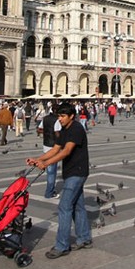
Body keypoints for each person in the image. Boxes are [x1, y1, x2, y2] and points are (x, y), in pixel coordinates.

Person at [27, 104, 92, 258]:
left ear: (71, 116)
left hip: (78, 172)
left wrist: (46, 163)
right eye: (59, 116)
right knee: (78, 206)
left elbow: (67, 150)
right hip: (71, 172)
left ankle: (62, 246)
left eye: (62, 116)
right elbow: (55, 149)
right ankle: (84, 238)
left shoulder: (76, 129)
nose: (59, 119)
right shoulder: (65, 130)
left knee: (64, 208)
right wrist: (38, 159)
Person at [37, 103, 61, 198]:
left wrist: (46, 132)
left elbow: (39, 129)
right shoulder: (58, 120)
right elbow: (57, 133)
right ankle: (49, 192)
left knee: (50, 170)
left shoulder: (45, 118)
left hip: (46, 145)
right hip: (53, 147)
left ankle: (50, 190)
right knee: (52, 171)